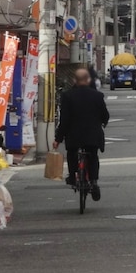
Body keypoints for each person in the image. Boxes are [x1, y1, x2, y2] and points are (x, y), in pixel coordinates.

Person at [55, 68, 110, 201]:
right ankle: (94, 181)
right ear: (88, 80)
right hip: (92, 135)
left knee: (72, 154)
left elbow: (65, 120)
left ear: (74, 80)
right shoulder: (97, 96)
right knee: (93, 157)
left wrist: (58, 138)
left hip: (74, 136)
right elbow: (105, 115)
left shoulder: (67, 96)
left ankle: (73, 177)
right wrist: (102, 123)